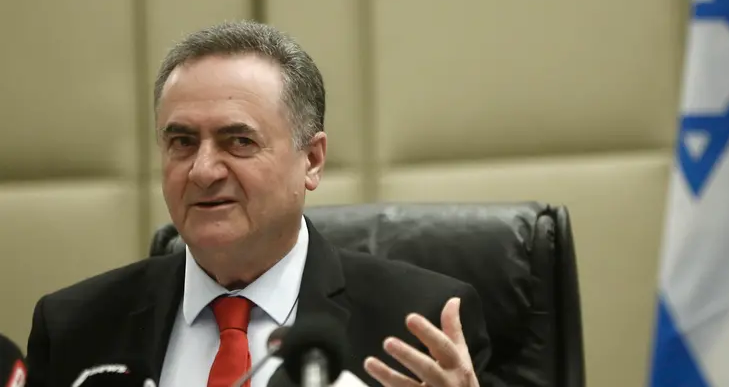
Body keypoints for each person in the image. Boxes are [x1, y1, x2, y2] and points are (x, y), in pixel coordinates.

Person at [24, 21, 502, 387]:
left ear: (312, 160)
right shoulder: (74, 327)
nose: (203, 171)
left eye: (239, 141)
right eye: (182, 142)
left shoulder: (419, 324)